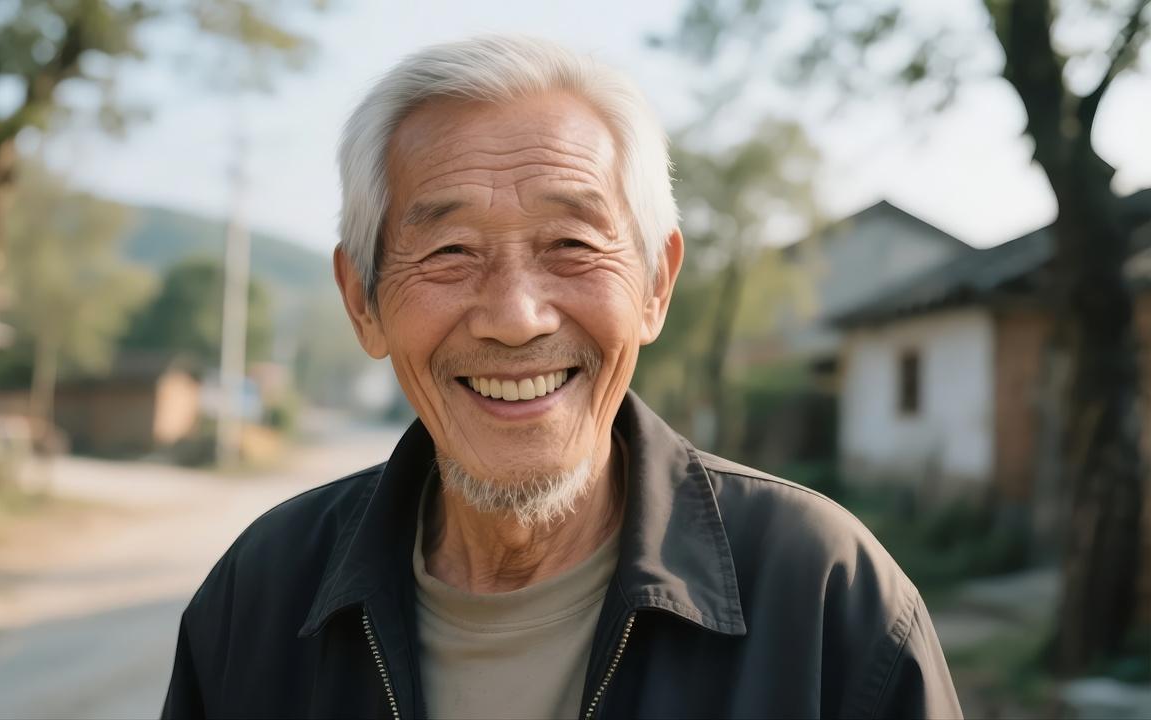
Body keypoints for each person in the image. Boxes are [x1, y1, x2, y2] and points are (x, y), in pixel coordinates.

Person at [161, 35, 963, 720]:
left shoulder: (826, 601)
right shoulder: (258, 599)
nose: (516, 316)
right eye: (449, 252)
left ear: (656, 285)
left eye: (572, 246)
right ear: (361, 301)